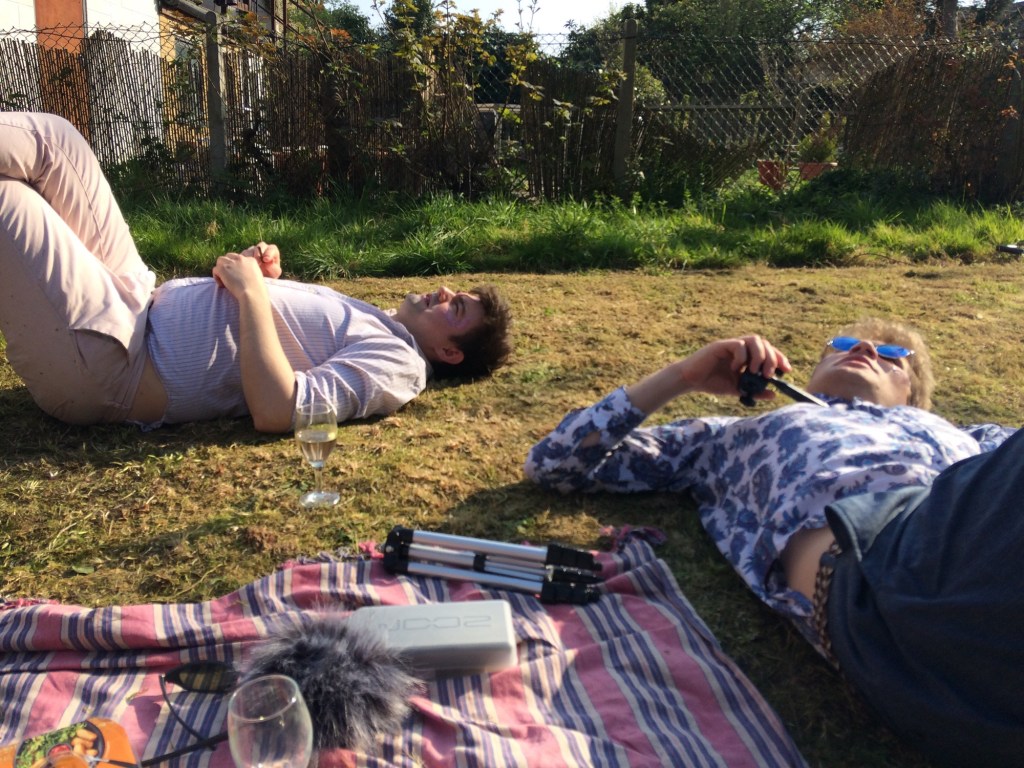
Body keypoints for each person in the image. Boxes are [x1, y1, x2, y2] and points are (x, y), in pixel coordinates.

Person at [525, 318, 1024, 767]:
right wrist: (682, 376)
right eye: (844, 343)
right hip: (884, 578)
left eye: (893, 355)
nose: (865, 348)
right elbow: (555, 464)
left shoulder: (968, 436)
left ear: (913, 393)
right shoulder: (731, 437)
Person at [0, 112, 511, 433]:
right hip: (136, 301)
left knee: (9, 200)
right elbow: (269, 339)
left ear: (450, 353)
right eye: (457, 292)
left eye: (457, 308)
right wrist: (262, 280)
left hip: (115, 367)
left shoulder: (400, 364)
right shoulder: (379, 322)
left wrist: (252, 296)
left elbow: (279, 409)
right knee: (55, 141)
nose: (445, 291)